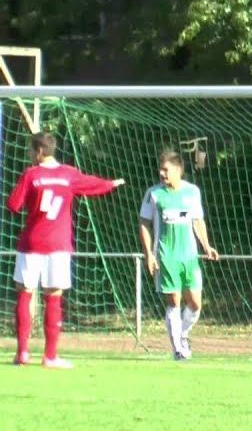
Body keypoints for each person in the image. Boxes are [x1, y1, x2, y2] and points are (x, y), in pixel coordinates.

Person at [6, 131, 125, 368]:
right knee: (53, 297)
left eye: (31, 150)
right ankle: (50, 356)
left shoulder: (31, 174)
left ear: (39, 152)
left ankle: (22, 353)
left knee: (24, 292)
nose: (30, 154)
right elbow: (93, 185)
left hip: (31, 244)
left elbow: (13, 205)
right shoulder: (69, 174)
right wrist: (111, 183)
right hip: (58, 246)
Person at [138, 151, 220, 361]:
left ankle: (183, 335)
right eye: (160, 169)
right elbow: (144, 224)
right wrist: (149, 254)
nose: (161, 173)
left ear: (178, 170)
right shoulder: (154, 194)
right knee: (174, 302)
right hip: (167, 256)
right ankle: (177, 350)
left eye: (165, 169)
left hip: (190, 257)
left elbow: (197, 220)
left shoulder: (192, 192)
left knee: (195, 304)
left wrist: (207, 246)